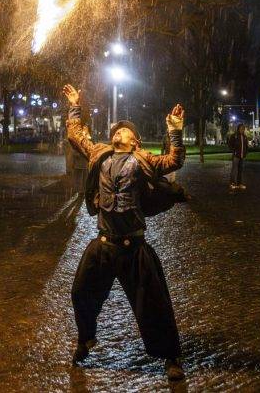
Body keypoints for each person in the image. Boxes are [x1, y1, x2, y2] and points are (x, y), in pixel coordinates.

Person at [62, 84, 189, 385]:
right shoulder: (99, 153)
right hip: (104, 244)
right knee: (81, 292)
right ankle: (86, 340)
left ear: (135, 139)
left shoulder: (143, 159)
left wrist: (176, 131)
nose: (119, 130)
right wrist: (75, 106)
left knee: (155, 304)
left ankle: (170, 357)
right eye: (117, 129)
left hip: (135, 247)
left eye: (125, 130)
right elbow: (75, 135)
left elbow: (174, 161)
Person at [228, 123, 249, 190]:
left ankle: (239, 184)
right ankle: (232, 183)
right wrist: (234, 151)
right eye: (241, 128)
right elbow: (230, 145)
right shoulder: (234, 136)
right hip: (236, 156)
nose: (242, 130)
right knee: (234, 170)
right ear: (238, 129)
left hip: (242, 156)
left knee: (240, 170)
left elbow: (246, 146)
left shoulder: (245, 137)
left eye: (243, 129)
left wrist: (246, 152)